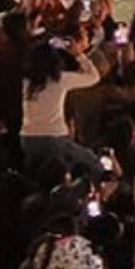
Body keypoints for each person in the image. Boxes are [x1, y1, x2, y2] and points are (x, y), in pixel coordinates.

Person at [21, 37, 102, 172]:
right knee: (93, 162)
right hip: (55, 138)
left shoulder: (25, 83)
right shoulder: (60, 80)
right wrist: (78, 55)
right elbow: (93, 77)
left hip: (27, 140)